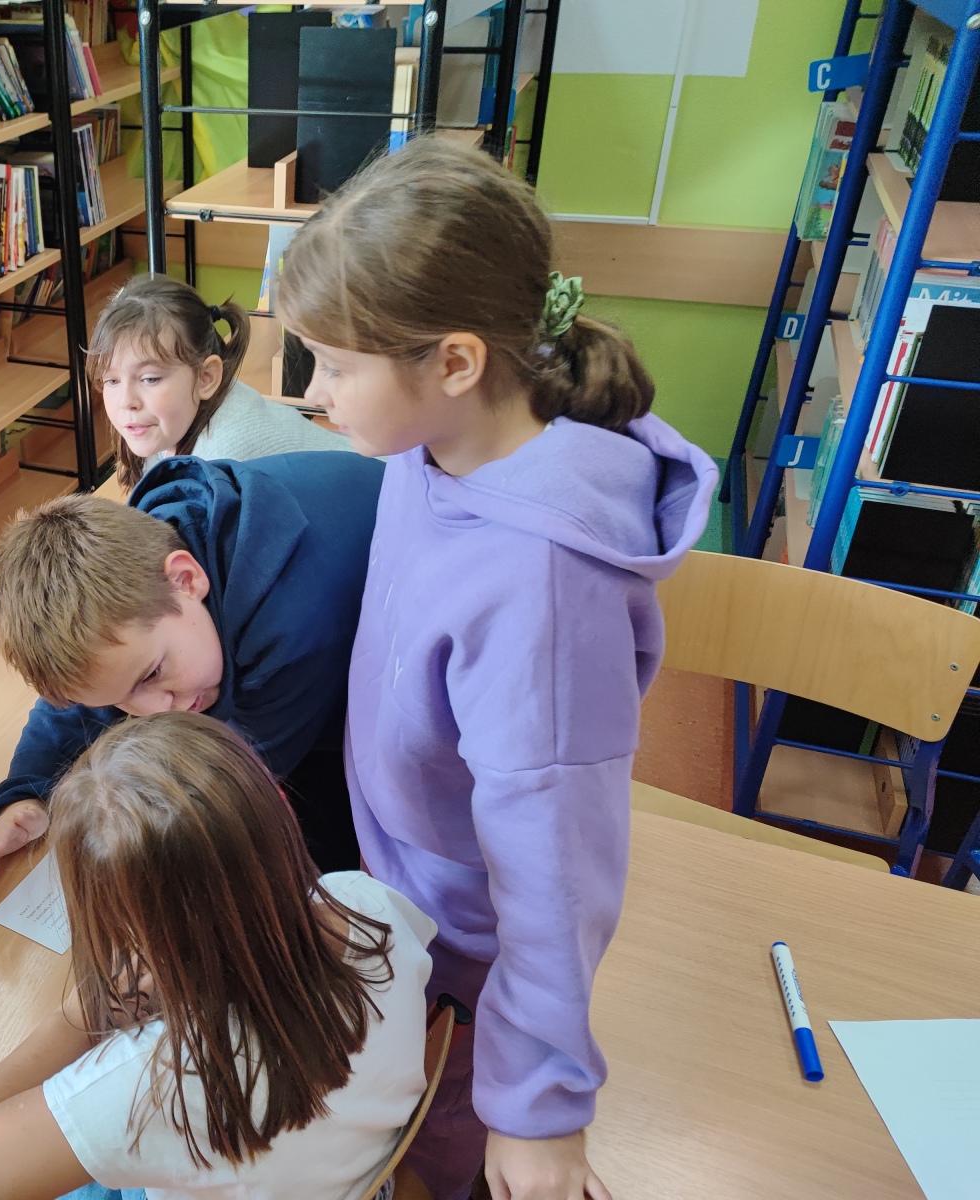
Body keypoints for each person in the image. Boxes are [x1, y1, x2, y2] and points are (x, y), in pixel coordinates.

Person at [276, 133, 718, 1200]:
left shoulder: (543, 587)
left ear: (456, 362)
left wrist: (539, 1109)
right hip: (404, 903)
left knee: (444, 1156)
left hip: (472, 955)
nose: (313, 390)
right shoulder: (430, 445)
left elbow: (555, 873)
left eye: (336, 364)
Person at [0, 712, 437, 1200]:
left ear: (126, 926)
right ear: (279, 813)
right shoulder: (367, 903)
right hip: (358, 1173)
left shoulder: (158, 1083)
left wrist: (79, 1014)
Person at [0, 448, 384, 887]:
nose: (157, 711)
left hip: (370, 685)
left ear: (186, 579)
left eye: (151, 676)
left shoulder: (290, 626)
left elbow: (229, 781)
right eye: (121, 700)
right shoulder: (140, 573)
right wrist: (26, 794)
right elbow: (88, 694)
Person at [93, 274, 350, 491]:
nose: (126, 401)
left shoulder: (222, 463)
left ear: (206, 377)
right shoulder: (172, 421)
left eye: (150, 379)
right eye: (112, 380)